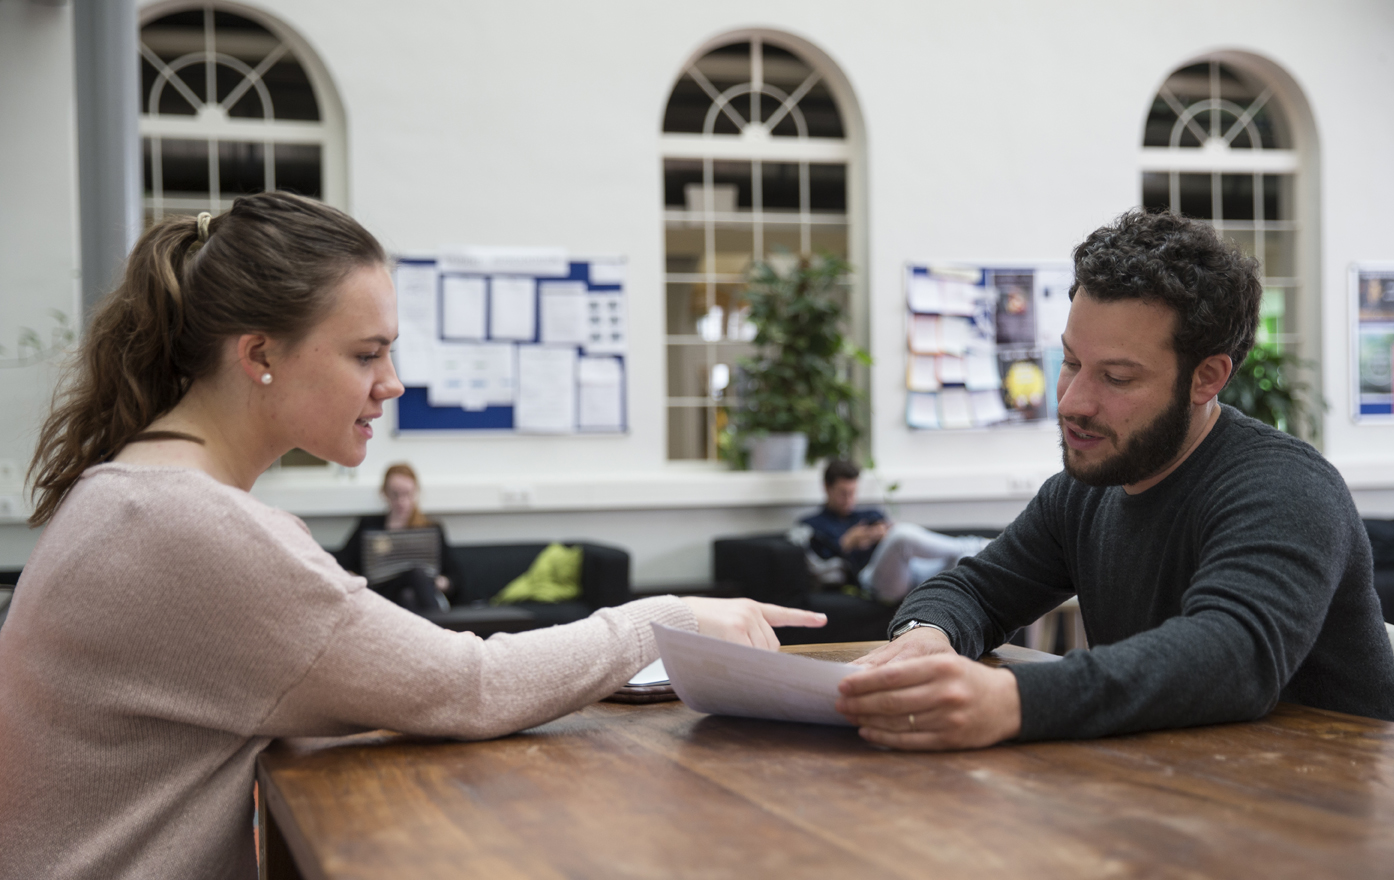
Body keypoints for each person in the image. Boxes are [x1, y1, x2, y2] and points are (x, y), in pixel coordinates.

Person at [0, 193, 825, 880]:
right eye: (368, 354)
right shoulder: (191, 525)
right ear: (259, 354)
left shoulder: (133, 493)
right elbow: (467, 685)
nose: (391, 384)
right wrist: (663, 617)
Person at [836, 210, 1394, 751]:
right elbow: (974, 590)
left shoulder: (1285, 488)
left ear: (1206, 378)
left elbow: (1233, 657)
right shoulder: (1088, 488)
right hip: (1178, 800)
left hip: (1337, 816)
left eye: (1116, 377)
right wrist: (927, 633)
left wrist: (1016, 701)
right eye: (1070, 362)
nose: (1073, 402)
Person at [797, 460, 988, 602]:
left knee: (965, 559)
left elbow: (893, 537)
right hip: (871, 580)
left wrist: (879, 535)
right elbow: (818, 568)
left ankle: (976, 549)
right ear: (826, 488)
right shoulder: (814, 525)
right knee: (902, 536)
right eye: (842, 493)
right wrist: (845, 543)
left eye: (853, 492)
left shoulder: (870, 514)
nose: (848, 499)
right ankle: (984, 545)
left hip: (912, 569)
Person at [334, 463, 457, 612]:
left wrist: (439, 582)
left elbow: (454, 577)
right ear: (384, 493)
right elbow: (341, 564)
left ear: (416, 493)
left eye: (407, 494)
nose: (401, 501)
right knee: (415, 576)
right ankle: (440, 629)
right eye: (395, 494)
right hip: (380, 594)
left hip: (416, 596)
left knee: (408, 595)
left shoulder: (431, 529)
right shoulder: (369, 527)